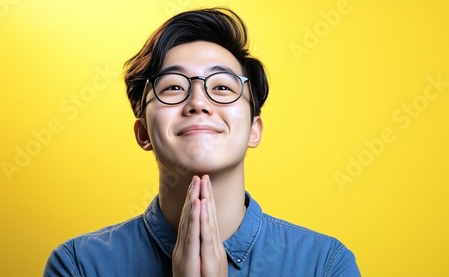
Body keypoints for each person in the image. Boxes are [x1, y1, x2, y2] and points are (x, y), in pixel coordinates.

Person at [44, 7, 361, 276]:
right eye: (173, 87)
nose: (198, 101)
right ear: (143, 133)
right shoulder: (80, 266)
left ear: (254, 129)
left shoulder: (325, 265)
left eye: (223, 87)